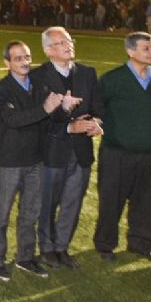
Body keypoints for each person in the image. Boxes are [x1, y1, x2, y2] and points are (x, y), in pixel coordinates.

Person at [0, 41, 67, 282]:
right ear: (7, 63)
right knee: (2, 213)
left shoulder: (39, 85)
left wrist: (63, 108)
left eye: (27, 57)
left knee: (30, 212)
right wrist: (46, 108)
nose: (24, 62)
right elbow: (13, 119)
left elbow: (50, 118)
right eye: (18, 58)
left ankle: (25, 257)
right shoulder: (1, 89)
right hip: (10, 161)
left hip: (36, 160)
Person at [31, 27, 103, 270]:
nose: (68, 45)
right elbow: (38, 118)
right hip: (52, 151)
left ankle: (62, 247)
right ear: (48, 50)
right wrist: (70, 127)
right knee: (48, 203)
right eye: (61, 42)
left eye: (69, 40)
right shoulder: (37, 76)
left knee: (73, 201)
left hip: (81, 151)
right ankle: (47, 248)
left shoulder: (87, 72)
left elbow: (99, 108)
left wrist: (96, 124)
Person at [93, 32, 151, 263]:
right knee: (111, 200)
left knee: (148, 203)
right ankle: (105, 245)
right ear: (130, 51)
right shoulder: (113, 79)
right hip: (118, 154)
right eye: (146, 48)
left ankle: (141, 244)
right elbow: (97, 108)